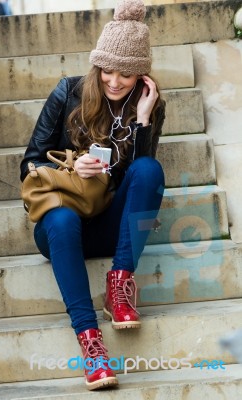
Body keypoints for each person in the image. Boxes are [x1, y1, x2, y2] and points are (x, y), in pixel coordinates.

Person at [20, 0, 165, 391]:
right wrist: (70, 168)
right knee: (63, 220)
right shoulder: (68, 92)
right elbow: (29, 164)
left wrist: (145, 120)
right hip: (60, 226)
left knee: (150, 169)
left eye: (127, 74)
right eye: (108, 71)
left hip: (109, 226)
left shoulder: (147, 104)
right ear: (97, 65)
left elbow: (142, 181)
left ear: (142, 74)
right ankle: (91, 344)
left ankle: (119, 284)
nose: (115, 81)